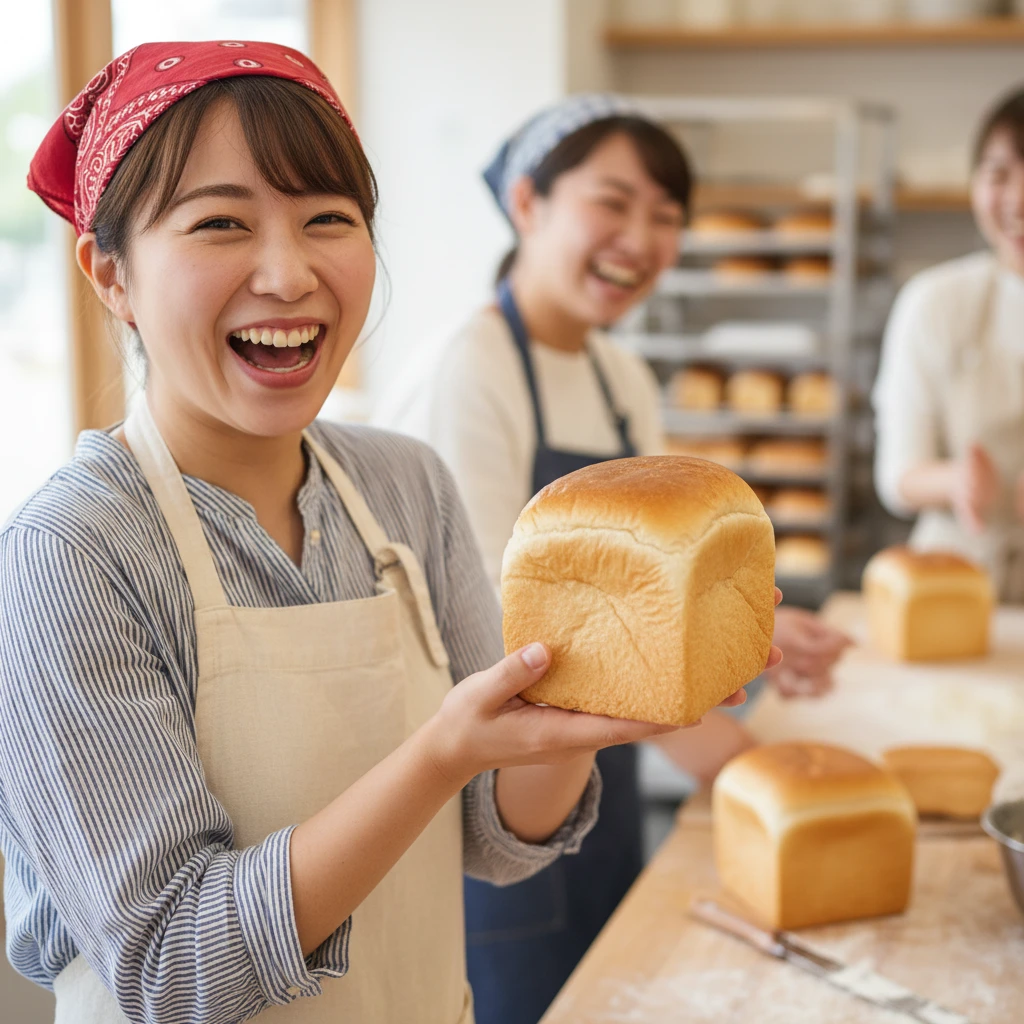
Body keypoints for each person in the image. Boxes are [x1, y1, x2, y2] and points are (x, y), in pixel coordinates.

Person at [0, 47, 777, 1024]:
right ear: (109, 273)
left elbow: (498, 842)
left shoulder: (403, 483)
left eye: (328, 219)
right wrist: (438, 755)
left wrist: (596, 713)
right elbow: (173, 971)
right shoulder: (70, 552)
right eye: (221, 224)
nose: (288, 273)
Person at [378, 94, 848, 1024]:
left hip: (609, 773)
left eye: (667, 216)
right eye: (613, 202)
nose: (641, 237)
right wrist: (738, 759)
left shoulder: (618, 370)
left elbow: (648, 584)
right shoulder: (469, 368)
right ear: (527, 205)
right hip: (494, 789)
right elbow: (496, 627)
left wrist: (744, 620)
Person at [874, 85, 1024, 602]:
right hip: (953, 586)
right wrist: (956, 480)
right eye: (999, 174)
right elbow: (898, 475)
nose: (1018, 200)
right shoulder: (933, 302)